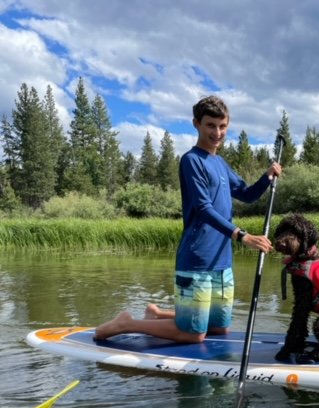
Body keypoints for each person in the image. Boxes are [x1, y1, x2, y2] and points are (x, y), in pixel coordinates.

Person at [95, 95, 282, 343]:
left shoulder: (221, 164)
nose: (217, 132)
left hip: (222, 261)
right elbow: (203, 208)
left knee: (218, 330)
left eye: (222, 126)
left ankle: (157, 313)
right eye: (210, 125)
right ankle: (127, 323)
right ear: (196, 124)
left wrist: (267, 177)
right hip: (197, 259)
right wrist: (242, 235)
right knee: (193, 334)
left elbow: (247, 195)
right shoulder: (191, 161)